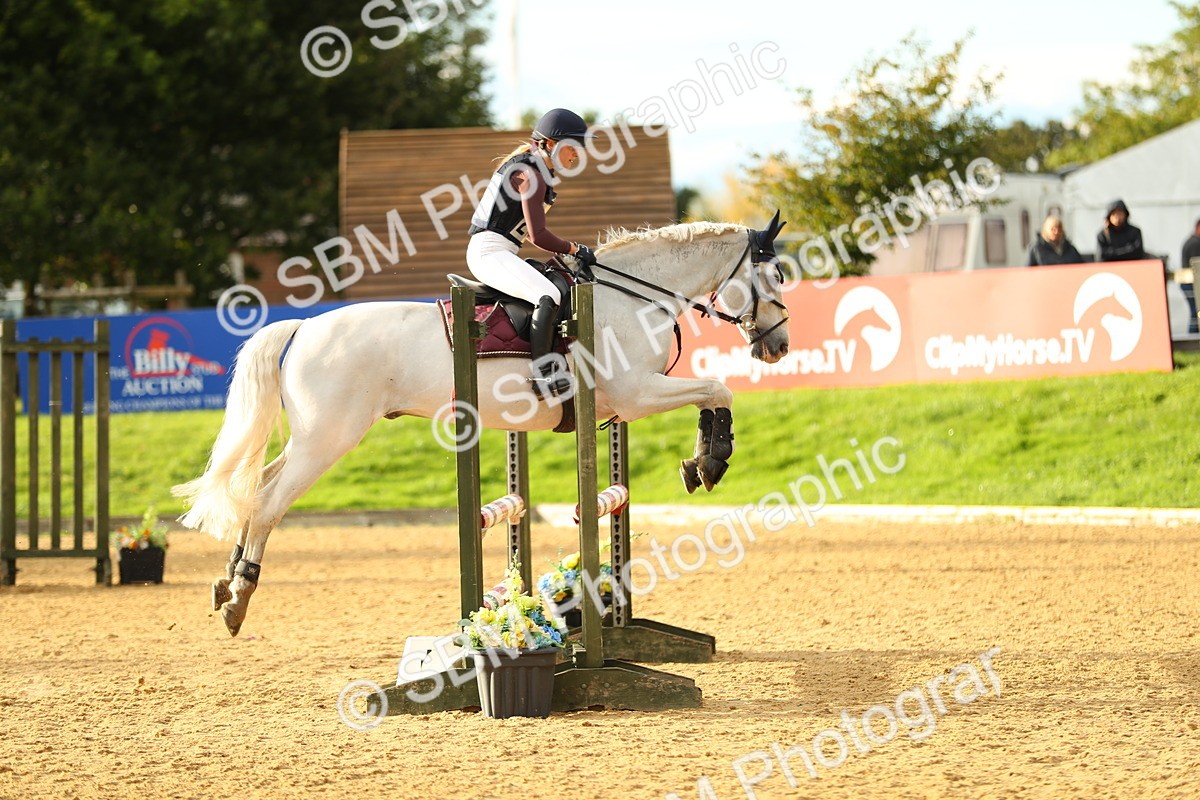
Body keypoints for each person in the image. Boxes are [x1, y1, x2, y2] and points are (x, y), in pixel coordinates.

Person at [467, 108, 598, 397]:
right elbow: (539, 236)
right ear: (550, 144)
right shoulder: (531, 173)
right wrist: (576, 249)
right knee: (547, 295)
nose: (577, 154)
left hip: (502, 251)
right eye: (573, 146)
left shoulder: (535, 169)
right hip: (489, 252)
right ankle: (544, 375)